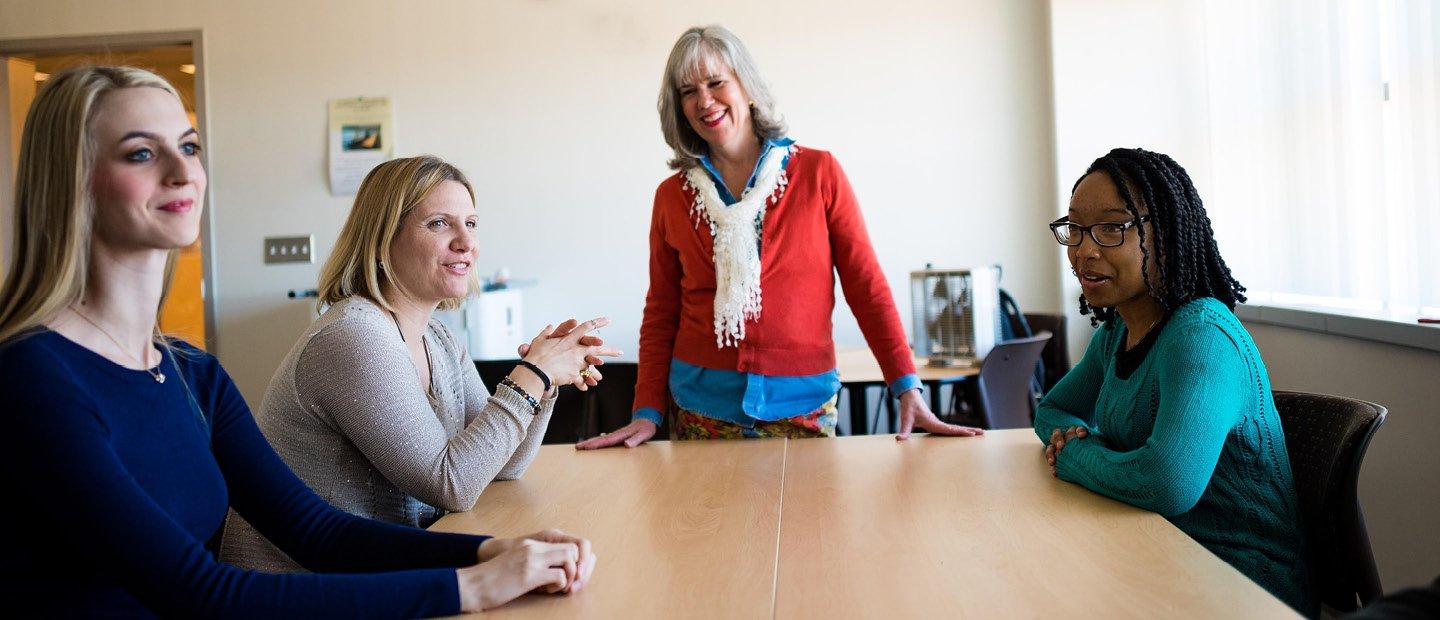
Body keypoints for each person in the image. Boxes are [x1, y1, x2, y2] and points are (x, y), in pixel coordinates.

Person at [0, 65, 593, 617]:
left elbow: (320, 532)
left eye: (189, 147)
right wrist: (473, 585)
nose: (183, 173)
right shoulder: (33, 378)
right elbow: (204, 593)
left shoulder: (190, 373)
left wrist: (492, 552)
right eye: (140, 153)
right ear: (73, 184)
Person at [578, 25, 980, 448]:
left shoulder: (819, 173)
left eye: (717, 83)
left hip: (803, 405)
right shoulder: (672, 197)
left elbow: (866, 286)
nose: (704, 101)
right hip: (700, 409)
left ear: (747, 87)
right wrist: (646, 412)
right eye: (688, 91)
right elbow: (662, 311)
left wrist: (906, 386)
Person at [220, 156, 619, 571]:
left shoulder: (438, 337)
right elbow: (452, 484)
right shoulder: (353, 338)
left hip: (378, 573)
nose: (466, 242)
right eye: (439, 224)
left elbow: (501, 466)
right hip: (304, 593)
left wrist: (547, 381)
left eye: (472, 223)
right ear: (381, 240)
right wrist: (533, 374)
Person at [1036, 147, 1313, 615]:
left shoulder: (1202, 335)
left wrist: (1074, 456)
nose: (1085, 249)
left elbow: (1167, 483)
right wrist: (1093, 450)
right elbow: (1050, 412)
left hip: (1240, 586)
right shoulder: (1118, 331)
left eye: (1111, 227)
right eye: (1076, 229)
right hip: (1152, 550)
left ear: (1165, 233)